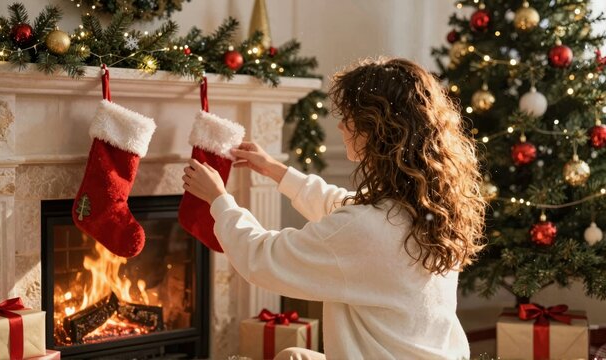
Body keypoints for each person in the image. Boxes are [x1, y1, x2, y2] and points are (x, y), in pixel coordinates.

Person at [181, 57, 486, 359]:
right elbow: (344, 209)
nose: (340, 125)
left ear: (375, 129)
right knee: (293, 356)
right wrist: (276, 171)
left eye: (348, 117)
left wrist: (219, 201)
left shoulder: (367, 227)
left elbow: (263, 257)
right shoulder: (427, 208)